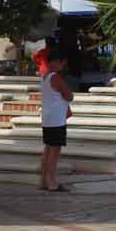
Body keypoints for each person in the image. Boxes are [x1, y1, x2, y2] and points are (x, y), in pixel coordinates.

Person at [39, 49, 74, 193]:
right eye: (62, 63)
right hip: (56, 120)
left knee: (48, 150)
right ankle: (52, 182)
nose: (63, 66)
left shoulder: (44, 76)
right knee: (55, 152)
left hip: (48, 118)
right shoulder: (56, 77)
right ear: (55, 62)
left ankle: (43, 181)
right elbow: (69, 95)